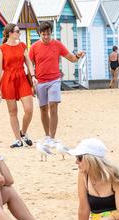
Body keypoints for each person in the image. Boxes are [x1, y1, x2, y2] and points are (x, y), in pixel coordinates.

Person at [29, 21, 84, 151]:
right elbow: (30, 65)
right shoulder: (34, 47)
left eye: (48, 34)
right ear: (39, 34)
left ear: (51, 33)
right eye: (43, 34)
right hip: (40, 81)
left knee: (53, 106)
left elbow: (71, 58)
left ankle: (52, 138)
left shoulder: (57, 45)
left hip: (54, 80)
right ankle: (47, 136)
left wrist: (78, 56)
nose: (46, 37)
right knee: (43, 109)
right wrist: (31, 82)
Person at [0, 23, 35, 148]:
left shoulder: (23, 46)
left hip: (22, 78)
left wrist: (33, 76)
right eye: (17, 31)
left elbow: (28, 63)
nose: (19, 33)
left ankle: (23, 132)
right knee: (13, 112)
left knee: (29, 110)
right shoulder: (1, 49)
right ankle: (18, 140)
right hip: (8, 80)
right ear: (10, 33)